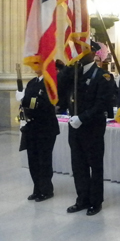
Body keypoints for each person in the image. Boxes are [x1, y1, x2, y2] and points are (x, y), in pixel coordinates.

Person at [57, 40, 114, 216]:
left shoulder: (103, 76)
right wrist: (68, 66)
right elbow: (60, 89)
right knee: (78, 165)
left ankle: (95, 201)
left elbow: (102, 104)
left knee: (94, 165)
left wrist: (82, 118)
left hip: (92, 128)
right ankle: (82, 199)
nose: (79, 53)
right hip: (75, 128)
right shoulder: (73, 73)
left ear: (93, 53)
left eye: (83, 50)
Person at [16, 60, 60, 202]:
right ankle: (37, 188)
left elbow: (45, 103)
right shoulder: (32, 83)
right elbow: (29, 103)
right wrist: (22, 101)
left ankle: (46, 190)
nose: (35, 67)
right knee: (33, 160)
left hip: (46, 127)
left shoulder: (49, 83)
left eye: (38, 63)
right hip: (32, 127)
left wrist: (26, 101)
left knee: (44, 160)